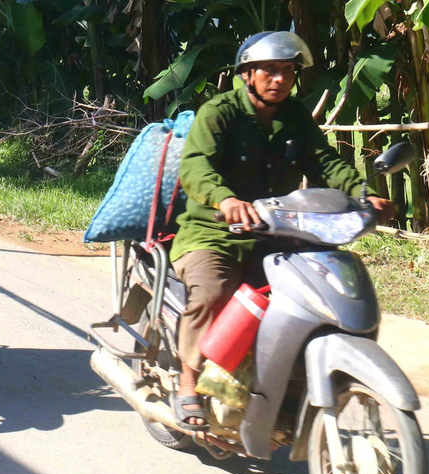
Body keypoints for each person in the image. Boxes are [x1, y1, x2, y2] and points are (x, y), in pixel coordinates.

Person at [169, 31, 395, 433]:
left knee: (306, 300)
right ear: (247, 74)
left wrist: (366, 195)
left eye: (288, 72)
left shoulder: (294, 117)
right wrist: (225, 200)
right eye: (270, 71)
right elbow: (196, 166)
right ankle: (187, 378)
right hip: (214, 233)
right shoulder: (219, 113)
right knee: (215, 291)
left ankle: (285, 392)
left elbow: (325, 161)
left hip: (277, 232)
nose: (280, 80)